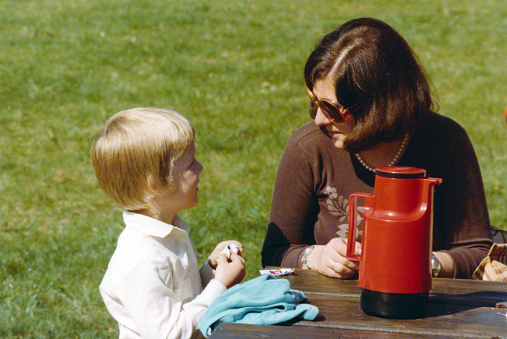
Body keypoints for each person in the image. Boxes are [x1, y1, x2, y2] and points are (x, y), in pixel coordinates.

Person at [261, 18, 493, 279]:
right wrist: (316, 256)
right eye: (315, 101)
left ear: (379, 108)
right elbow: (275, 253)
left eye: (332, 109)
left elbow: (476, 251)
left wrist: (417, 263)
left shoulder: (447, 141)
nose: (319, 119)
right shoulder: (309, 147)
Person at [91, 107, 246, 338]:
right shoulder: (142, 258)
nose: (200, 167)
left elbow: (182, 299)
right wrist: (220, 286)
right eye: (191, 164)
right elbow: (169, 333)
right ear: (155, 184)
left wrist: (212, 272)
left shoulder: (167, 234)